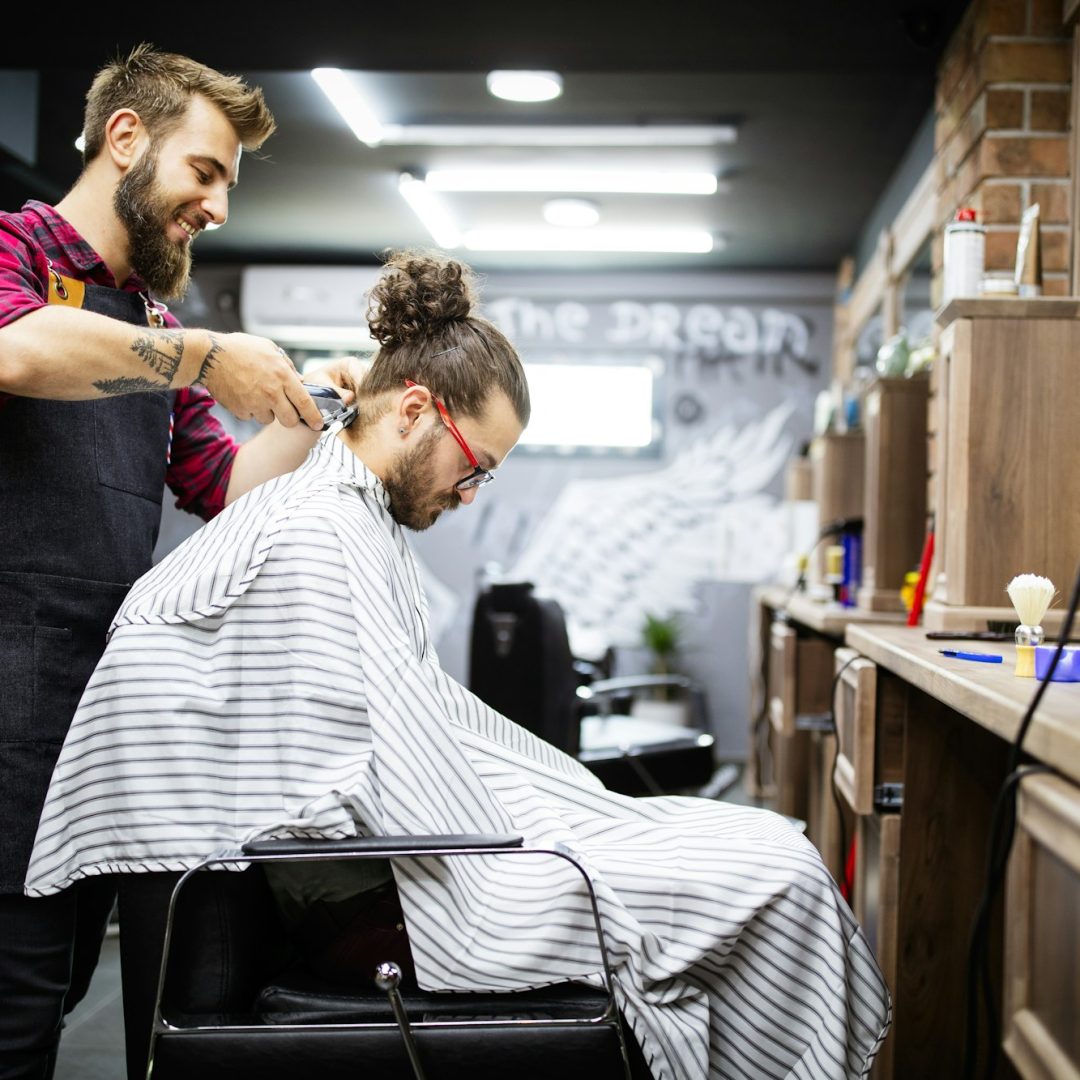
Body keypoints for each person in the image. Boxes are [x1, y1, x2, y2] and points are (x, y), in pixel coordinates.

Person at [27, 251, 891, 1080]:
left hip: (406, 863)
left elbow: (397, 739)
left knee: (757, 846)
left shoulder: (349, 516)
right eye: (473, 466)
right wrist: (544, 827)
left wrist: (562, 807)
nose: (470, 493)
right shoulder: (317, 529)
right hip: (408, 895)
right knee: (772, 873)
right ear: (413, 409)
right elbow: (367, 780)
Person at [0, 44, 361, 1078]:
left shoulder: (151, 325)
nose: (217, 207)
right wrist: (205, 357)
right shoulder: (13, 252)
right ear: (126, 138)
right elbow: (18, 350)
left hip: (89, 730)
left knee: (55, 997)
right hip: (7, 713)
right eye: (204, 172)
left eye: (228, 184)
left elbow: (229, 488)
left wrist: (312, 415)